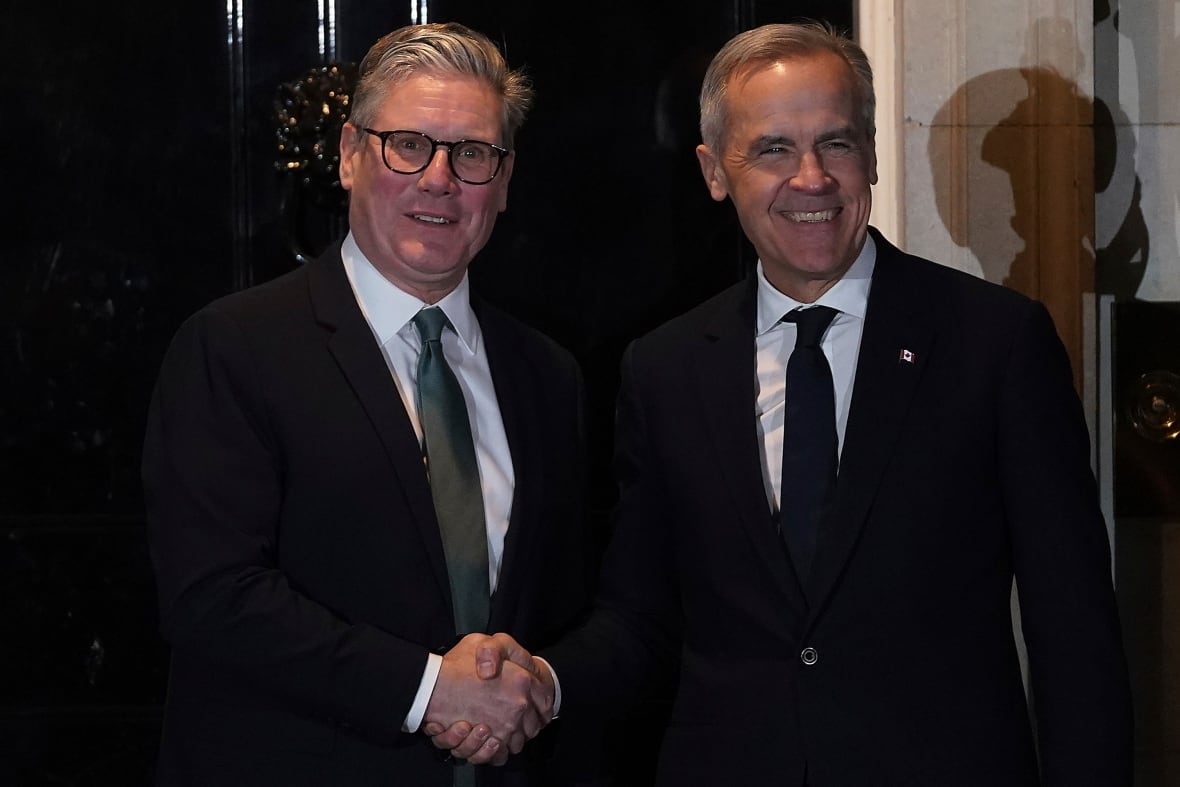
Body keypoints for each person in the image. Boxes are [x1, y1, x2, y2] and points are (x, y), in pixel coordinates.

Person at [438, 20, 1134, 786]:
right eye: (773, 149)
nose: (812, 178)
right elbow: (640, 615)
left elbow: (1073, 629)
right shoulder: (666, 370)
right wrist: (543, 678)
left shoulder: (995, 345)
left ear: (870, 152)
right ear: (713, 170)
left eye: (835, 142)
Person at [142, 21, 597, 786]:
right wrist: (426, 690)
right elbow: (212, 596)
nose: (440, 180)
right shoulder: (234, 347)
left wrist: (539, 684)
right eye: (408, 144)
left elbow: (576, 604)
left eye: (473, 153)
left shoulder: (549, 376)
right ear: (352, 155)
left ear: (505, 180)